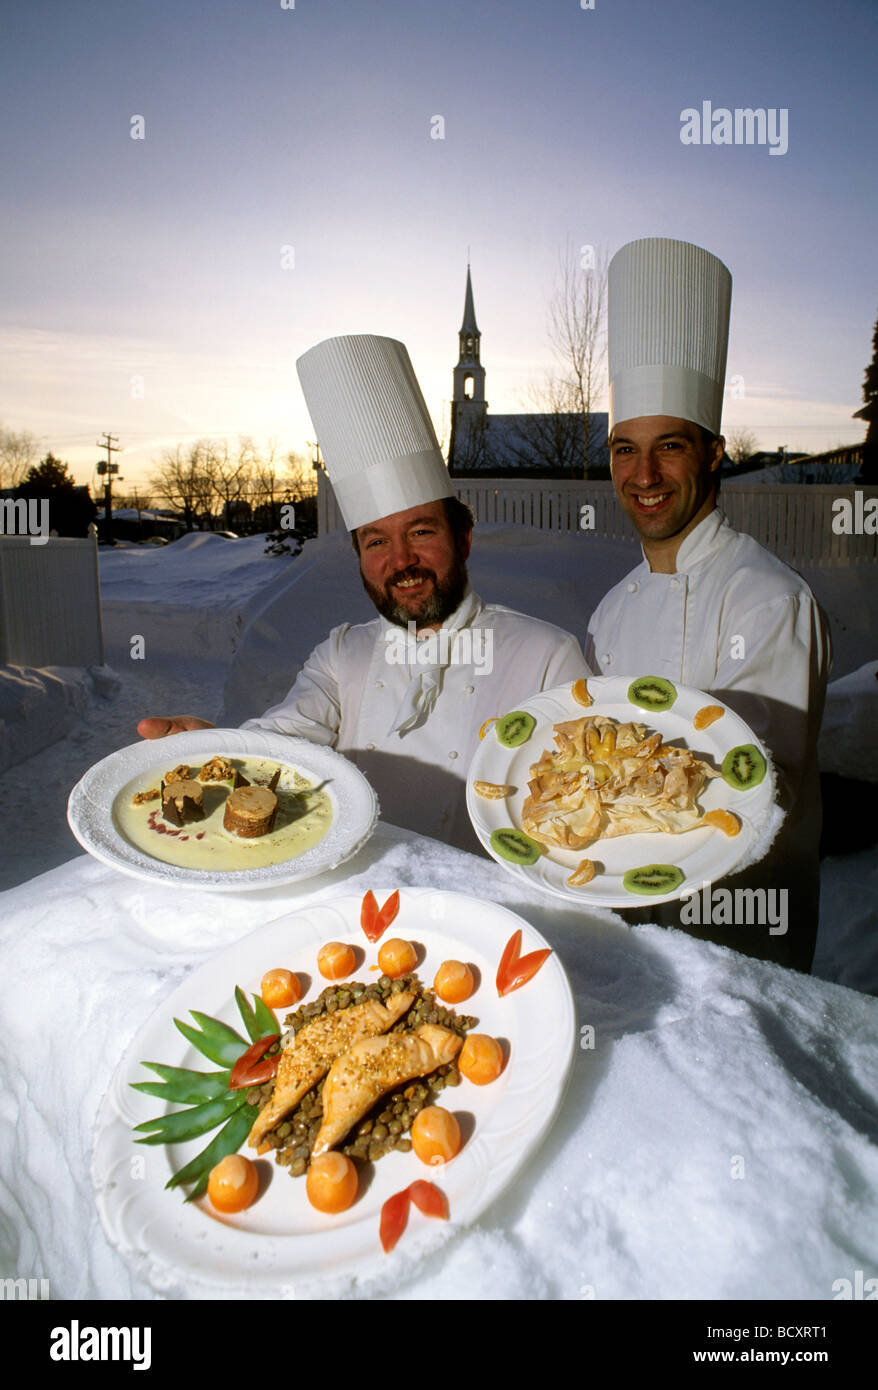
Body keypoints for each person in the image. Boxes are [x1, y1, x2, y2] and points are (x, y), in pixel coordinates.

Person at [140, 334, 589, 852]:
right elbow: (286, 741)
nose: (400, 561)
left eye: (421, 532)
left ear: (462, 539)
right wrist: (216, 750)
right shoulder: (341, 653)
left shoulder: (546, 656)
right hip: (356, 896)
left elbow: (582, 802)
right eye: (376, 541)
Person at [585, 237, 831, 971]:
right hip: (627, 925)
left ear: (715, 453)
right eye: (624, 449)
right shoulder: (607, 612)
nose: (645, 474)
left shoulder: (773, 600)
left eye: (670, 447)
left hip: (742, 943)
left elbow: (756, 786)